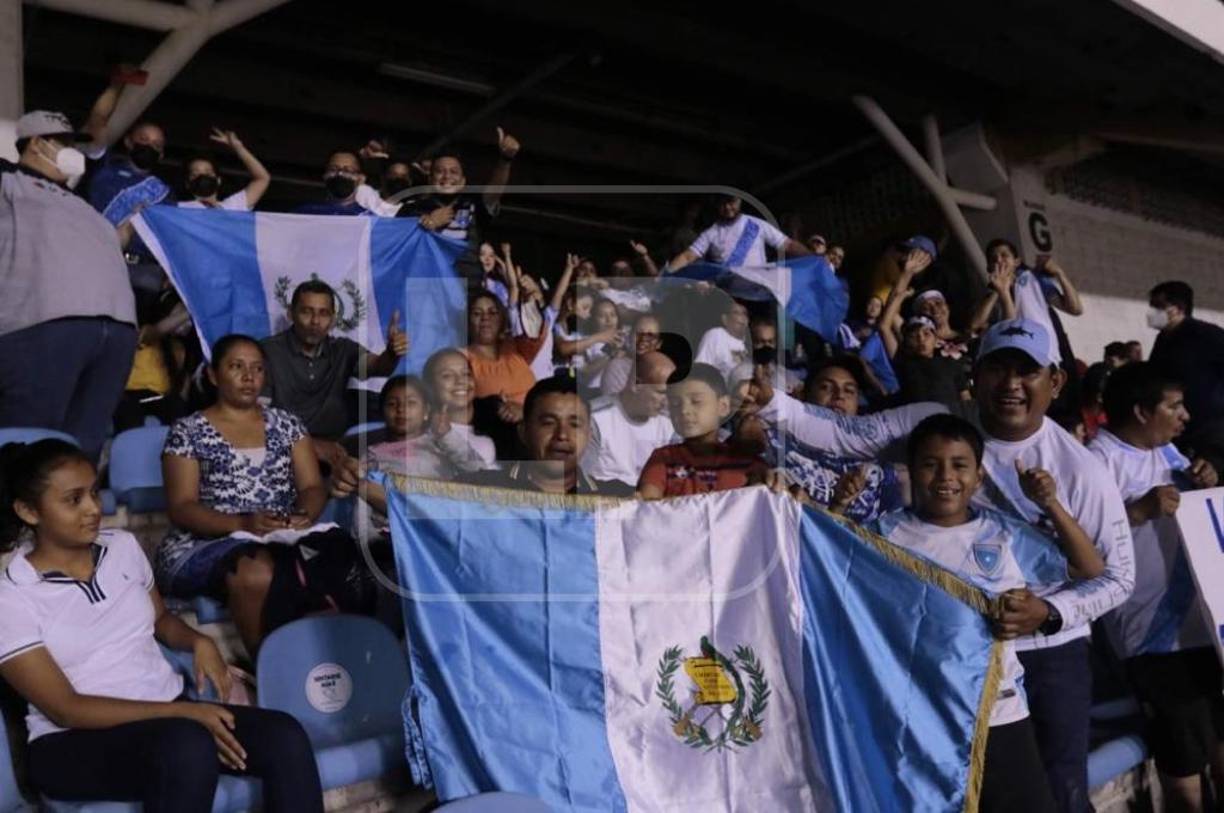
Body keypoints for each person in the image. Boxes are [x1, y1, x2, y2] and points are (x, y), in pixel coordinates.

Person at [753, 318, 1135, 812]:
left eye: (1027, 372)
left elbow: (1116, 576)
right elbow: (849, 435)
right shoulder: (935, 426)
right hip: (942, 663)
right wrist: (770, 403)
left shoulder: (1082, 469)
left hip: (1048, 657)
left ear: (1055, 381)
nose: (1011, 385)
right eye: (998, 369)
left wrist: (1050, 612)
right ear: (976, 375)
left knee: (1055, 793)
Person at [0, 440, 324, 813]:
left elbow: (161, 621)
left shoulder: (121, 546)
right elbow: (66, 708)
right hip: (72, 741)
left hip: (167, 716)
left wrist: (198, 641)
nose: (93, 508)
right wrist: (184, 713)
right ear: (28, 511)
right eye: (73, 500)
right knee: (186, 747)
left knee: (284, 736)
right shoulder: (13, 597)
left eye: (93, 492)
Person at [857, 415, 1104, 813]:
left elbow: (1089, 567)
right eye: (930, 464)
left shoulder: (1003, 534)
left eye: (959, 465)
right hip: (921, 718)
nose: (945, 477)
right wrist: (834, 508)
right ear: (911, 470)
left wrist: (1050, 503)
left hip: (999, 713)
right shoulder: (882, 537)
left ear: (979, 476)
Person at [1088, 363, 1224, 812]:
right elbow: (1076, 540)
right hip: (1152, 637)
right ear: (1143, 411)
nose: (1184, 415)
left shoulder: (1166, 453)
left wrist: (1206, 477)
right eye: (1174, 406)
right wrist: (1138, 512)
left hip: (1202, 624)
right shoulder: (1096, 461)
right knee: (1182, 760)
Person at [159, 335, 343, 655]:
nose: (249, 376)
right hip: (205, 542)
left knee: (342, 557)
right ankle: (269, 668)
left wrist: (301, 517)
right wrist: (243, 523)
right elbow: (182, 507)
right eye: (237, 367)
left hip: (278, 533)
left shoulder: (287, 424)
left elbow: (312, 488)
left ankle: (327, 663)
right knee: (255, 571)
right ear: (214, 375)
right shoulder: (187, 430)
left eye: (257, 369)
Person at [0, 110, 138, 460]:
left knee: (82, 449)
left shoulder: (85, 204)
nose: (71, 151)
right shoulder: (9, 182)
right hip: (43, 324)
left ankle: (72, 513)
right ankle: (15, 513)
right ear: (35, 144)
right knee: (30, 446)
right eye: (62, 143)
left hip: (117, 329)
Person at [260, 280, 409, 468]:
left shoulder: (342, 350)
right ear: (291, 313)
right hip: (281, 452)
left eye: (323, 313)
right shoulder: (267, 351)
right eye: (307, 311)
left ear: (332, 319)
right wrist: (311, 446)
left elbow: (378, 367)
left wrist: (391, 353)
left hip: (336, 453)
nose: (315, 321)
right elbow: (253, 418)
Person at [350, 375, 491, 542]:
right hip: (393, 536)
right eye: (392, 404)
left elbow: (479, 471)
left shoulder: (442, 443)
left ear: (426, 411)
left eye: (411, 403)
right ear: (382, 412)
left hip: (441, 530)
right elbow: (362, 508)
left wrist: (447, 436)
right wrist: (373, 543)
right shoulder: (373, 454)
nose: (401, 409)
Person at [783, 358, 905, 524]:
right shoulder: (781, 446)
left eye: (849, 391)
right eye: (826, 387)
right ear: (804, 395)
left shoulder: (879, 470)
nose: (839, 395)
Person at [397, 128, 521, 280]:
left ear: (463, 182)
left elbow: (494, 192)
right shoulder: (411, 209)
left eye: (453, 171)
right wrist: (425, 225)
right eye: (439, 171)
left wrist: (505, 161)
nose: (447, 176)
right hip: (424, 287)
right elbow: (394, 247)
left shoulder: (474, 205)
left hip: (467, 289)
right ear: (430, 179)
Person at [637, 363, 768, 498]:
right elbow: (647, 506)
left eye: (696, 401)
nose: (684, 411)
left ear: (723, 406)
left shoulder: (747, 463)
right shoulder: (663, 459)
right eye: (675, 403)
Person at [1147, 280, 1224, 472]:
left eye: (1158, 307)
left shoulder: (1207, 335)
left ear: (1177, 308)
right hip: (1175, 430)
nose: (1152, 313)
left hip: (1209, 430)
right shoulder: (1163, 340)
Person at [581, 351, 676, 491]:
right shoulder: (594, 418)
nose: (667, 402)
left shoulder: (670, 426)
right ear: (636, 384)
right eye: (661, 393)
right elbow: (582, 480)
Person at [667, 194, 809, 270]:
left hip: (759, 291)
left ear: (739, 200)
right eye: (723, 203)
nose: (728, 207)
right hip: (730, 296)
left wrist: (814, 258)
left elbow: (788, 245)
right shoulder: (710, 233)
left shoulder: (757, 224)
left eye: (732, 202)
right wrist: (665, 275)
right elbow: (688, 256)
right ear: (717, 206)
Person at [465, 290, 545, 406]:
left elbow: (535, 333)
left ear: (501, 319)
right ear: (467, 320)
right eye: (477, 313)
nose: (485, 318)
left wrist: (529, 305)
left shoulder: (515, 346)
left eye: (492, 313)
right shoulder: (461, 358)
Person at [87, 121, 171, 227]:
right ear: (128, 142)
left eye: (157, 145)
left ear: (161, 155)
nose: (149, 146)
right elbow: (98, 123)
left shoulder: (162, 192)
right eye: (143, 139)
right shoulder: (103, 168)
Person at [178, 129, 270, 211]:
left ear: (218, 180)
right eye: (195, 174)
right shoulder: (177, 209)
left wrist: (239, 148)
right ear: (187, 184)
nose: (203, 176)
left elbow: (262, 178)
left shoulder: (234, 206)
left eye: (208, 172)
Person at [600, 312, 664, 397]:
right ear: (630, 337)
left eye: (650, 335)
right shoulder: (615, 368)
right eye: (639, 333)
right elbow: (615, 404)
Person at [292, 151, 369, 216]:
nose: (340, 174)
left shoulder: (370, 218)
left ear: (361, 179)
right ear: (325, 176)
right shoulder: (304, 213)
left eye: (348, 170)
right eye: (333, 169)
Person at [694, 299, 750, 379]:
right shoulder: (716, 335)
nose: (742, 317)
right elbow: (701, 368)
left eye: (744, 314)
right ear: (725, 319)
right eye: (736, 313)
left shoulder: (749, 344)